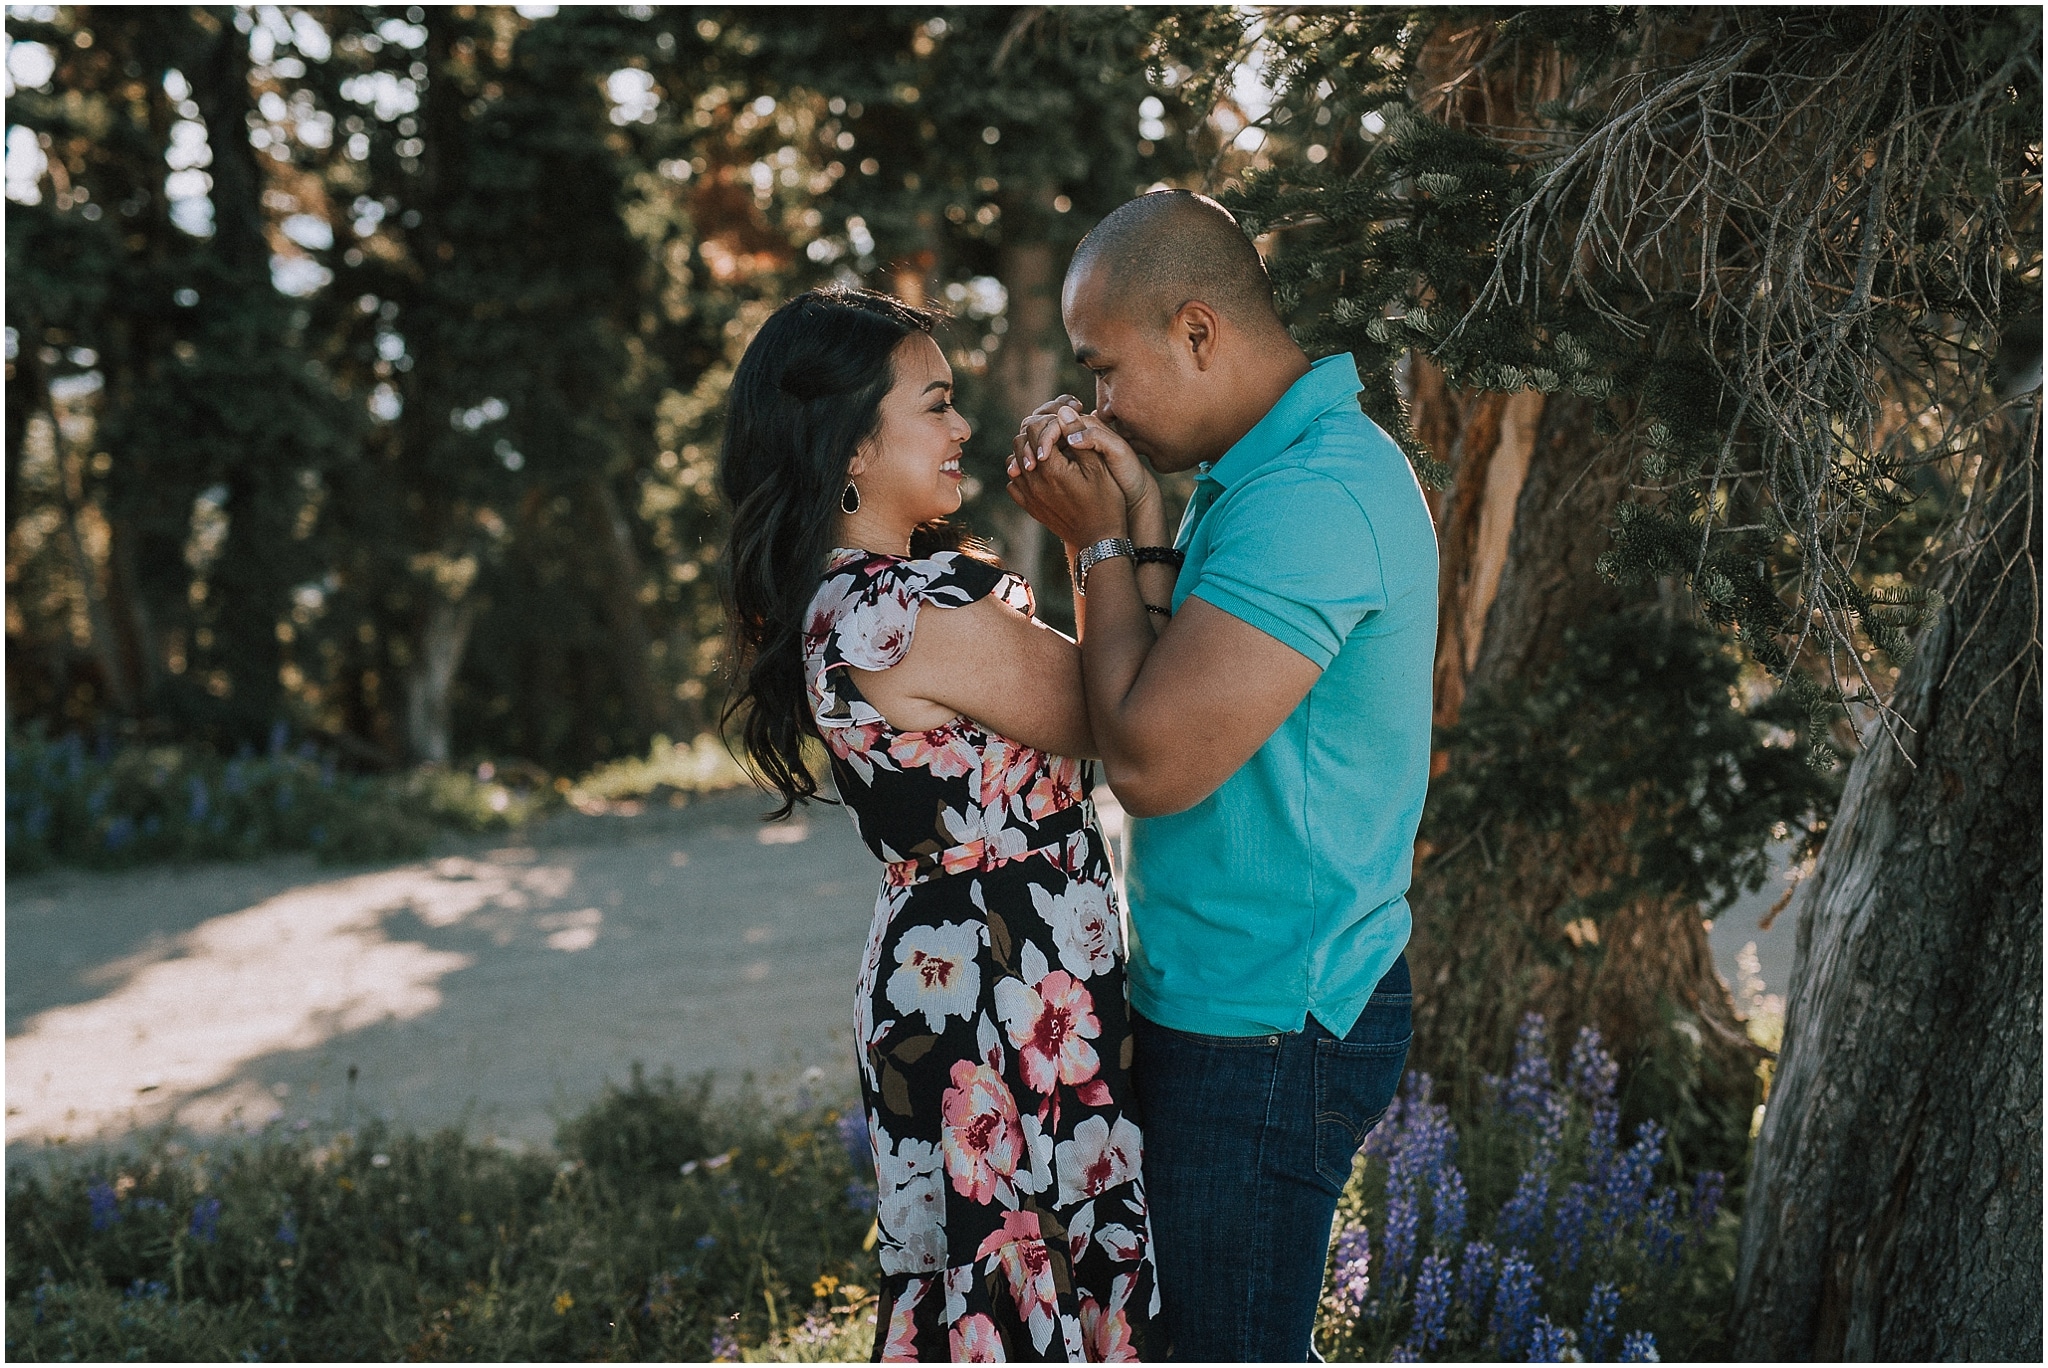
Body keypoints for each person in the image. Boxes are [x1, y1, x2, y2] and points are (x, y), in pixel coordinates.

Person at [1005, 190, 1438, 1362]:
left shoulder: (1315, 497)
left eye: (1104, 371)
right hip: (1217, 996)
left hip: (1265, 1024)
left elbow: (1144, 758)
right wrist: (1138, 519)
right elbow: (1143, 677)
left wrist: (1093, 541)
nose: (1096, 404)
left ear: (1196, 331)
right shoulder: (1258, 474)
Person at [719, 286, 1160, 1363]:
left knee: (997, 1271)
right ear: (850, 446)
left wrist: (1110, 534)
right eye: (935, 404)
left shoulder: (845, 597)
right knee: (1028, 1268)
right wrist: (1112, 529)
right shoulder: (905, 612)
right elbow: (1131, 708)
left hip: (971, 969)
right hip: (1000, 994)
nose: (963, 428)